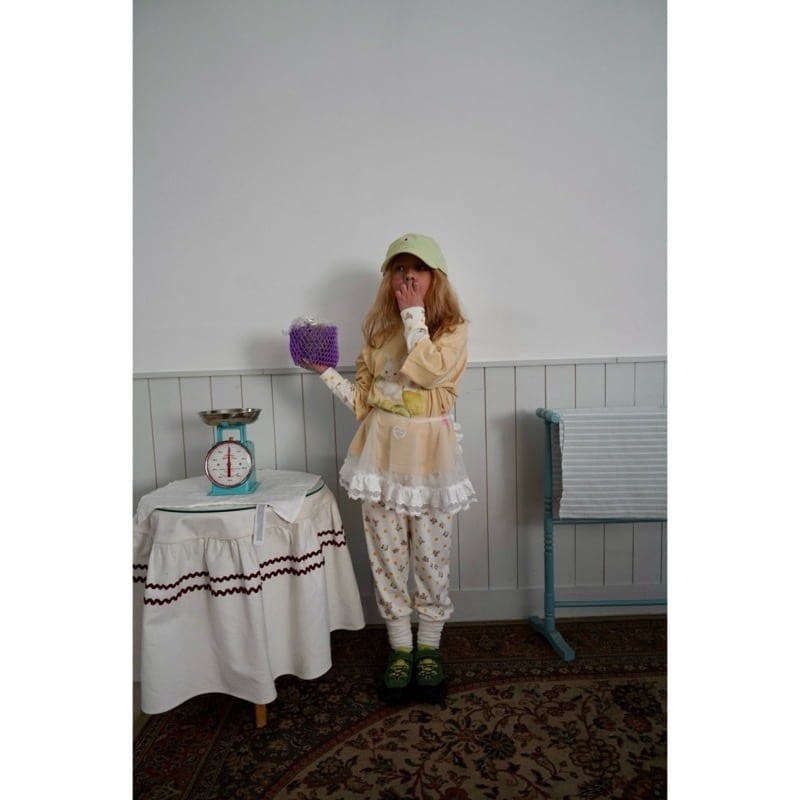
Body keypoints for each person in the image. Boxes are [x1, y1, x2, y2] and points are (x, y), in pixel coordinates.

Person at [301, 232, 477, 704]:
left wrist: (413, 313)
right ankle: (400, 647)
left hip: (431, 464)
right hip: (378, 461)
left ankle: (429, 648)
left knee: (431, 558)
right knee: (386, 555)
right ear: (388, 278)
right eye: (400, 269)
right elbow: (363, 403)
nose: (408, 277)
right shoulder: (379, 335)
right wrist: (324, 372)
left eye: (418, 269)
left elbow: (429, 371)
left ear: (435, 277)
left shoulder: (452, 330)